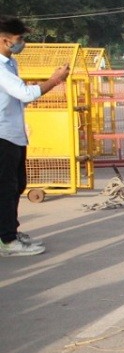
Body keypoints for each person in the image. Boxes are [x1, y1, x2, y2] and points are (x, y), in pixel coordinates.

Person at [0, 16, 70, 256]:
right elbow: (25, 94)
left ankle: (9, 231)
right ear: (5, 40)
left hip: (14, 134)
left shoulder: (10, 64)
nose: (23, 43)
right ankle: (7, 240)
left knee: (17, 185)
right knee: (6, 189)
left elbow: (19, 98)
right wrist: (55, 80)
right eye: (19, 39)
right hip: (3, 135)